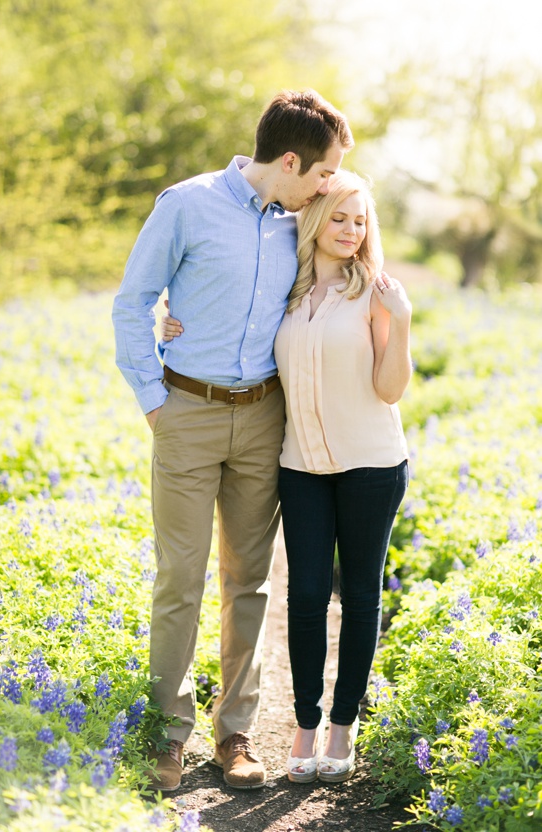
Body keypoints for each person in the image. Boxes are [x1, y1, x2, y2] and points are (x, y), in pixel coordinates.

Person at [111, 89, 353, 792]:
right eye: (322, 170)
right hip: (186, 410)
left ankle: (236, 734)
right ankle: (168, 736)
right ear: (288, 160)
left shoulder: (301, 220)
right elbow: (133, 302)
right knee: (179, 579)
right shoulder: (185, 205)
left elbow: (348, 243)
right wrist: (156, 402)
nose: (327, 183)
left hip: (265, 419)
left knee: (249, 580)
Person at [161, 171, 411, 783]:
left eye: (361, 221)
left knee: (358, 597)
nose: (352, 231)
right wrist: (172, 320)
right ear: (315, 218)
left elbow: (390, 388)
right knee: (303, 599)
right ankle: (304, 727)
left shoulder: (376, 293)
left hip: (371, 464)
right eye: (340, 217)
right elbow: (230, 314)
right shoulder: (287, 289)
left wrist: (400, 322)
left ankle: (342, 728)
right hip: (299, 464)